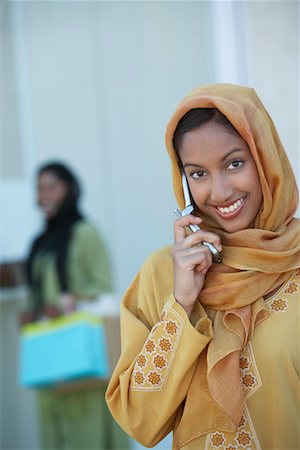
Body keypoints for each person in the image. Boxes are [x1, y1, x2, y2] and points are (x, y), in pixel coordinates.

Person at [106, 84, 300, 449]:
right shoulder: (163, 272)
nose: (220, 191)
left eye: (235, 164)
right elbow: (137, 420)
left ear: (266, 160)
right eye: (198, 174)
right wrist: (181, 305)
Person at [25, 162, 129, 450]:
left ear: (69, 190)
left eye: (51, 187)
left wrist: (66, 303)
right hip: (48, 352)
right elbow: (36, 291)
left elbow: (103, 289)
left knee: (87, 429)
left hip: (80, 353)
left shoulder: (85, 234)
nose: (43, 195)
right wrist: (31, 312)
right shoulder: (41, 242)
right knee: (54, 426)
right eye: (39, 189)